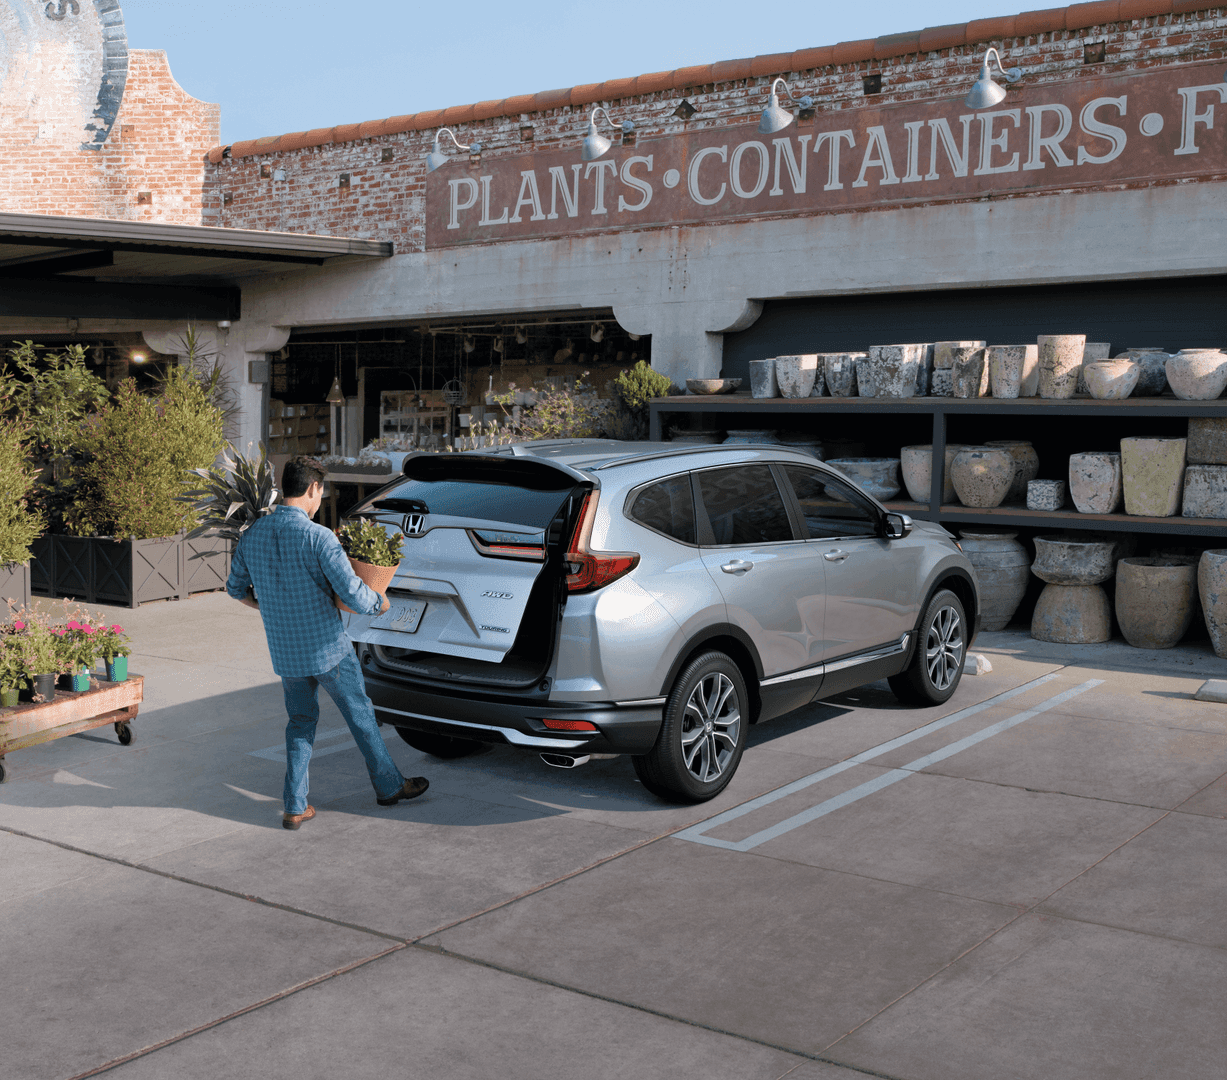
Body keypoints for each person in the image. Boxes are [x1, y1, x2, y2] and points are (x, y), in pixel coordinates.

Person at [227, 455, 428, 829]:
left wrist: (268, 607)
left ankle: (294, 806)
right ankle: (388, 787)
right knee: (361, 716)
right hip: (328, 650)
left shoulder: (253, 534)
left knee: (300, 723)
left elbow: (235, 589)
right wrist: (379, 603)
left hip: (286, 653)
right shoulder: (317, 537)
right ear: (313, 488)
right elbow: (353, 594)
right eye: (321, 492)